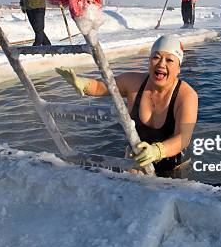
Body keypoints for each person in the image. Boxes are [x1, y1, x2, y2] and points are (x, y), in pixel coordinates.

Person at [56, 35, 198, 174]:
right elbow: (102, 87)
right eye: (156, 57)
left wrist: (157, 151)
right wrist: (82, 83)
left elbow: (184, 137)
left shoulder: (186, 95)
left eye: (169, 60)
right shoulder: (132, 82)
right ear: (149, 61)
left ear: (179, 68)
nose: (161, 64)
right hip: (137, 158)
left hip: (174, 164)